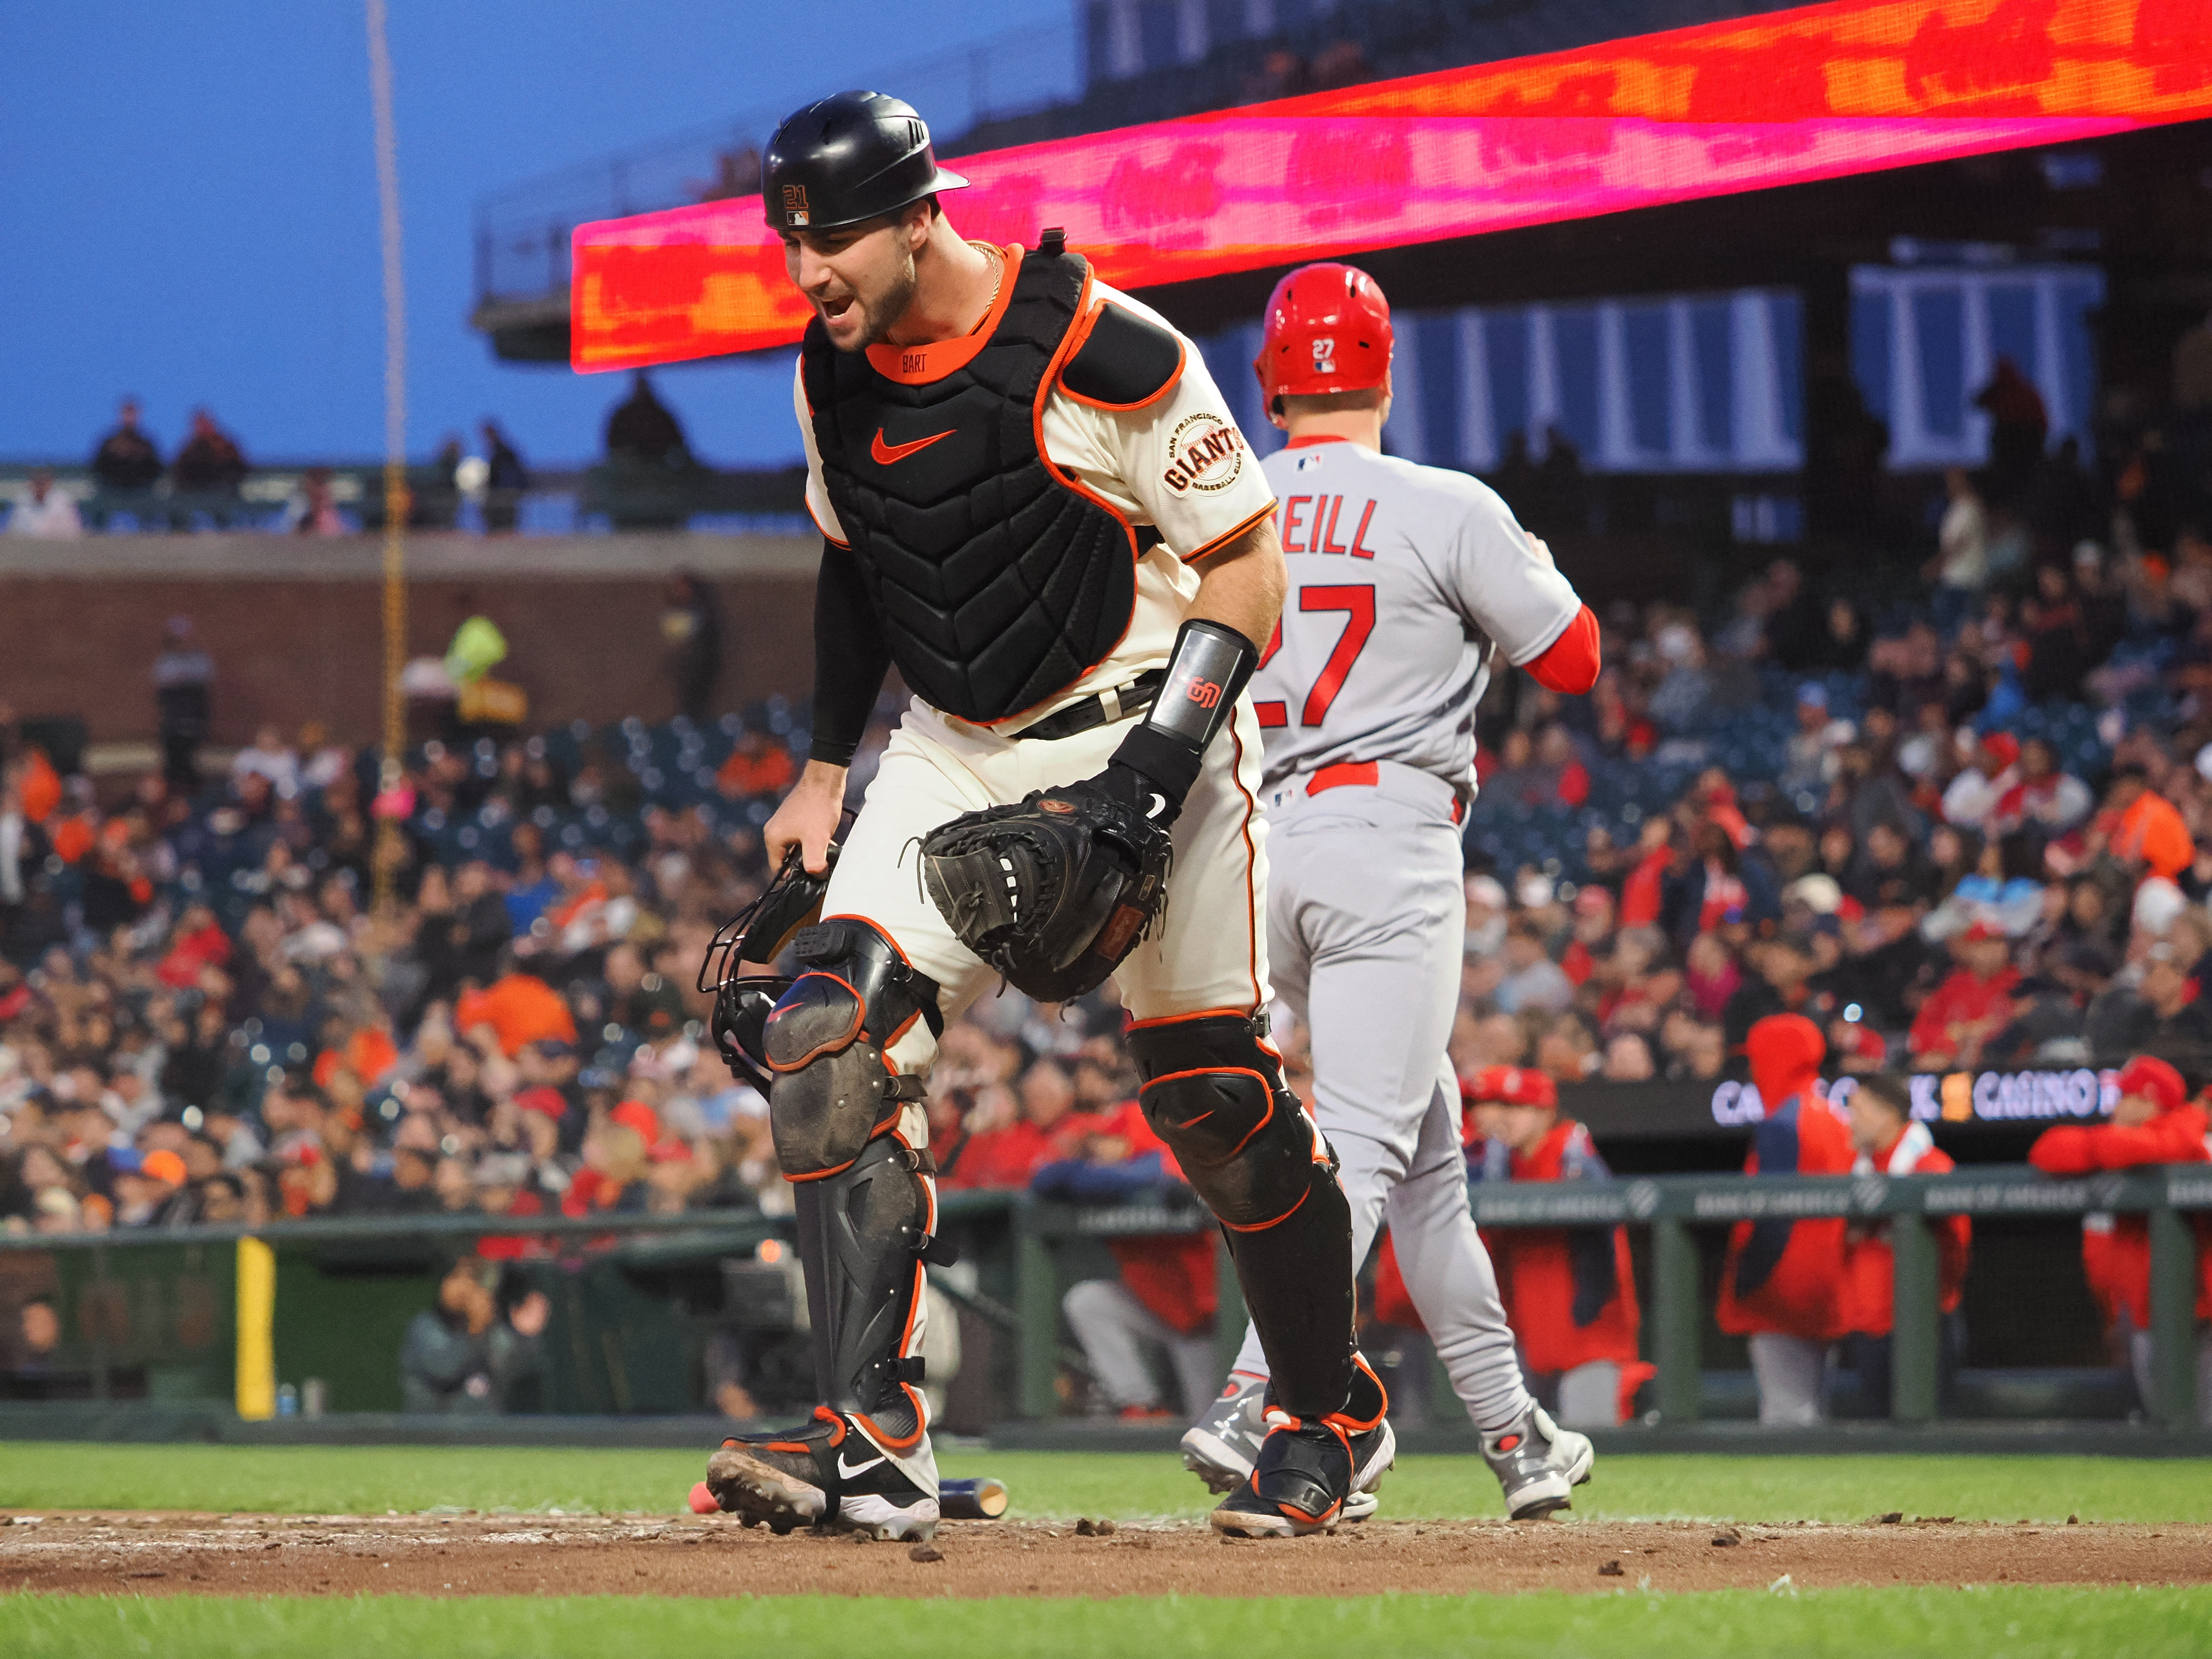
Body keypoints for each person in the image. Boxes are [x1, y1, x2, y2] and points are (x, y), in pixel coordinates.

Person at [699, 92, 1365, 1543]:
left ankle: (1329, 1410)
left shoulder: (1103, 344)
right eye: (792, 245)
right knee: (824, 1033)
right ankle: (871, 1434)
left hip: (1141, 716)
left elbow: (1248, 573)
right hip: (947, 744)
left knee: (1211, 1095)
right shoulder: (830, 371)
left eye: (830, 242)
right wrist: (823, 766)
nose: (807, 273)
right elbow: (854, 559)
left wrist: (1150, 778)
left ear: (917, 213)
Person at [1180, 261, 1603, 1523]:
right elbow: (1576, 661)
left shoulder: (1223, 507)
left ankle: (1518, 1437)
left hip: (1253, 846)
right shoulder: (1442, 502)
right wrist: (1515, 560)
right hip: (1387, 834)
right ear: (1385, 373)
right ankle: (1257, 1394)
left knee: (1425, 1167)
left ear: (1267, 383)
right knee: (1361, 1147)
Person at [1461, 1065, 1653, 1427]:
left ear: (1545, 1112)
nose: (1510, 1119)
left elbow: (1601, 1250)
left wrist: (1589, 1309)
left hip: (1587, 1334)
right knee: (1524, 1441)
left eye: (1521, 1109)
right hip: (1531, 1332)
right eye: (1507, 1108)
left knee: (1592, 1437)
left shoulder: (1574, 1155)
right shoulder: (1504, 1163)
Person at [2029, 1055, 2212, 1424]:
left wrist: (2107, 1146)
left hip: (2203, 1307)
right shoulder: (2133, 1140)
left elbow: (2178, 1147)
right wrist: (2110, 1142)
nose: (2116, 1106)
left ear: (2148, 1100)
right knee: (2167, 1425)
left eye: (2124, 1096)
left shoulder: (2194, 1134)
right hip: (2148, 1308)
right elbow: (2047, 1151)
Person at [1716, 1013, 1853, 1426]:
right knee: (1813, 1409)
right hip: (1827, 1277)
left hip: (1783, 1284)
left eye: (1757, 1059)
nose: (1753, 1071)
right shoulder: (1831, 1115)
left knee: (1787, 1416)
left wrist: (1749, 1278)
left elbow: (1773, 1216)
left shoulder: (1783, 1123)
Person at [1835, 1073, 1970, 1417]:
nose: (1850, 1120)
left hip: (1921, 1326)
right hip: (1868, 1329)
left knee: (1931, 1438)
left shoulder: (1930, 1167)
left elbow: (1956, 1254)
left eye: (1858, 1110)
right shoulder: (1857, 1169)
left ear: (1887, 1114)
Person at [398, 1254, 549, 1413]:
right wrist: (476, 1331)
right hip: (432, 1429)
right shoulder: (426, 1326)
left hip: (482, 1431)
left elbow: (518, 1368)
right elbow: (443, 1369)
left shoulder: (492, 1331)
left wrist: (524, 1333)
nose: (484, 1301)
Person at [152, 617, 213, 797]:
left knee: (194, 765)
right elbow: (164, 681)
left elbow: (204, 678)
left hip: (195, 722)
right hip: (172, 724)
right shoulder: (165, 662)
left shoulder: (201, 660)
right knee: (173, 764)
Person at [661, 571, 722, 723]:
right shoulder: (697, 609)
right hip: (694, 667)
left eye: (680, 587)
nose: (677, 591)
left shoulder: (701, 611)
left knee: (694, 706)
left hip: (699, 667)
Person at [605, 370, 692, 468]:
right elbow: (614, 444)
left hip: (660, 468)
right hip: (631, 469)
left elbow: (676, 443)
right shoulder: (623, 416)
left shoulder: (661, 416)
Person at [90, 398, 162, 494]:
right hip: (113, 492)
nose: (130, 418)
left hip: (139, 492)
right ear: (121, 416)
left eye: (132, 414)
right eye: (127, 414)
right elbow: (98, 468)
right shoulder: (110, 444)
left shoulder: (145, 445)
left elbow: (155, 470)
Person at [169, 409, 247, 496]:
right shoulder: (190, 450)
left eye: (206, 424)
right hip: (197, 490)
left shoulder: (224, 445)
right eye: (201, 425)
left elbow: (238, 465)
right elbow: (181, 471)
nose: (204, 428)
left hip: (224, 487)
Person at [9, 470, 83, 539]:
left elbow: (72, 533)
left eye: (43, 482)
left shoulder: (65, 502)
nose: (40, 487)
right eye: (37, 482)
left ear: (51, 482)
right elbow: (14, 533)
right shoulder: (21, 503)